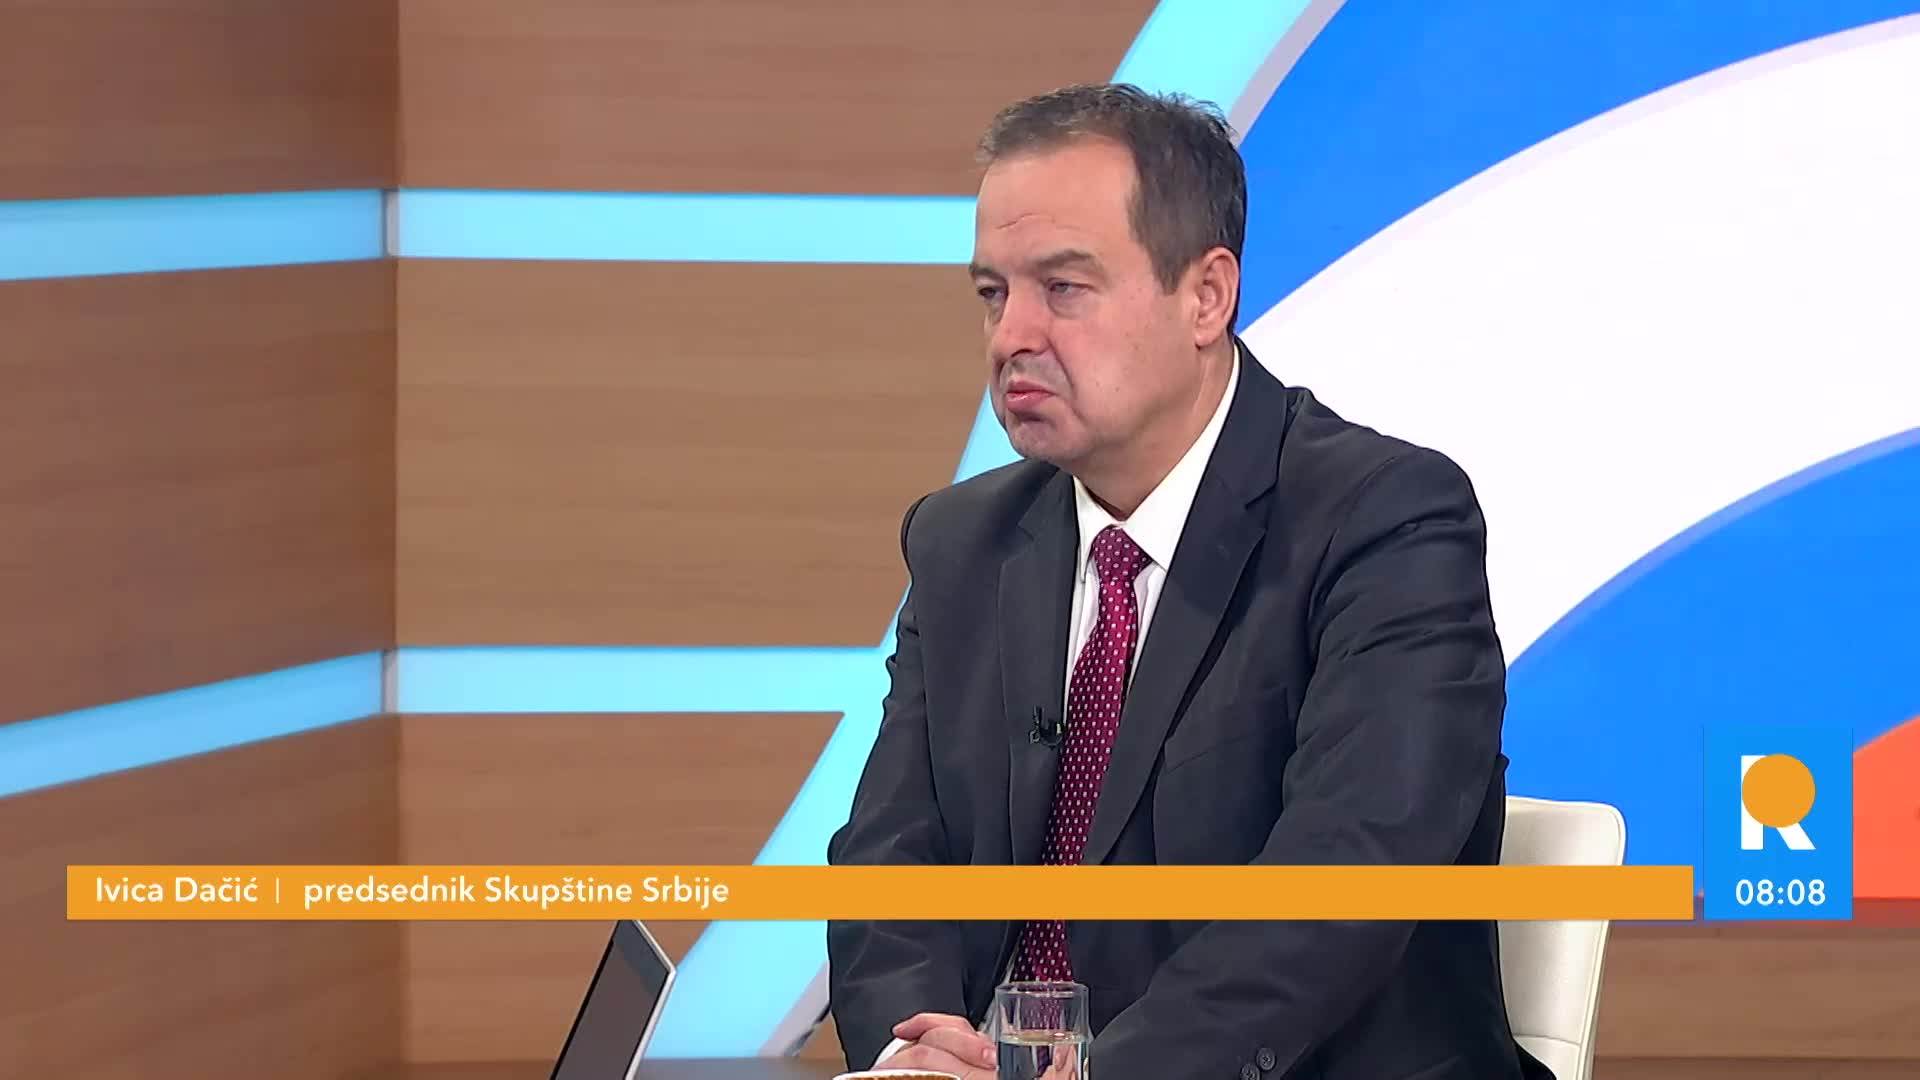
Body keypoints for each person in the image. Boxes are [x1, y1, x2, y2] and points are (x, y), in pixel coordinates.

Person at [825, 83, 1552, 1080]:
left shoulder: (1385, 523)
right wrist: (918, 1051)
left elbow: (1341, 885)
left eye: (1063, 288)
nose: (1011, 337)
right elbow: (888, 866)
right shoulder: (963, 544)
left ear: (1206, 296)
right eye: (993, 294)